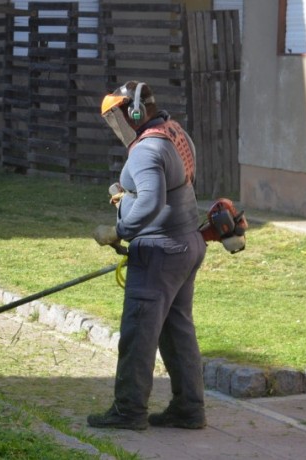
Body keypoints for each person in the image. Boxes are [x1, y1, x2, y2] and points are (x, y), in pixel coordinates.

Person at [86, 81, 207, 431]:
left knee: (139, 332)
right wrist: (128, 200)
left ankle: (128, 411)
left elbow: (152, 201)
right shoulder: (173, 131)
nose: (117, 125)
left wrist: (120, 230)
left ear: (134, 112)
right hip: (187, 243)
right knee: (176, 329)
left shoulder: (145, 150)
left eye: (117, 116)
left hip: (159, 253)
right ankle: (189, 409)